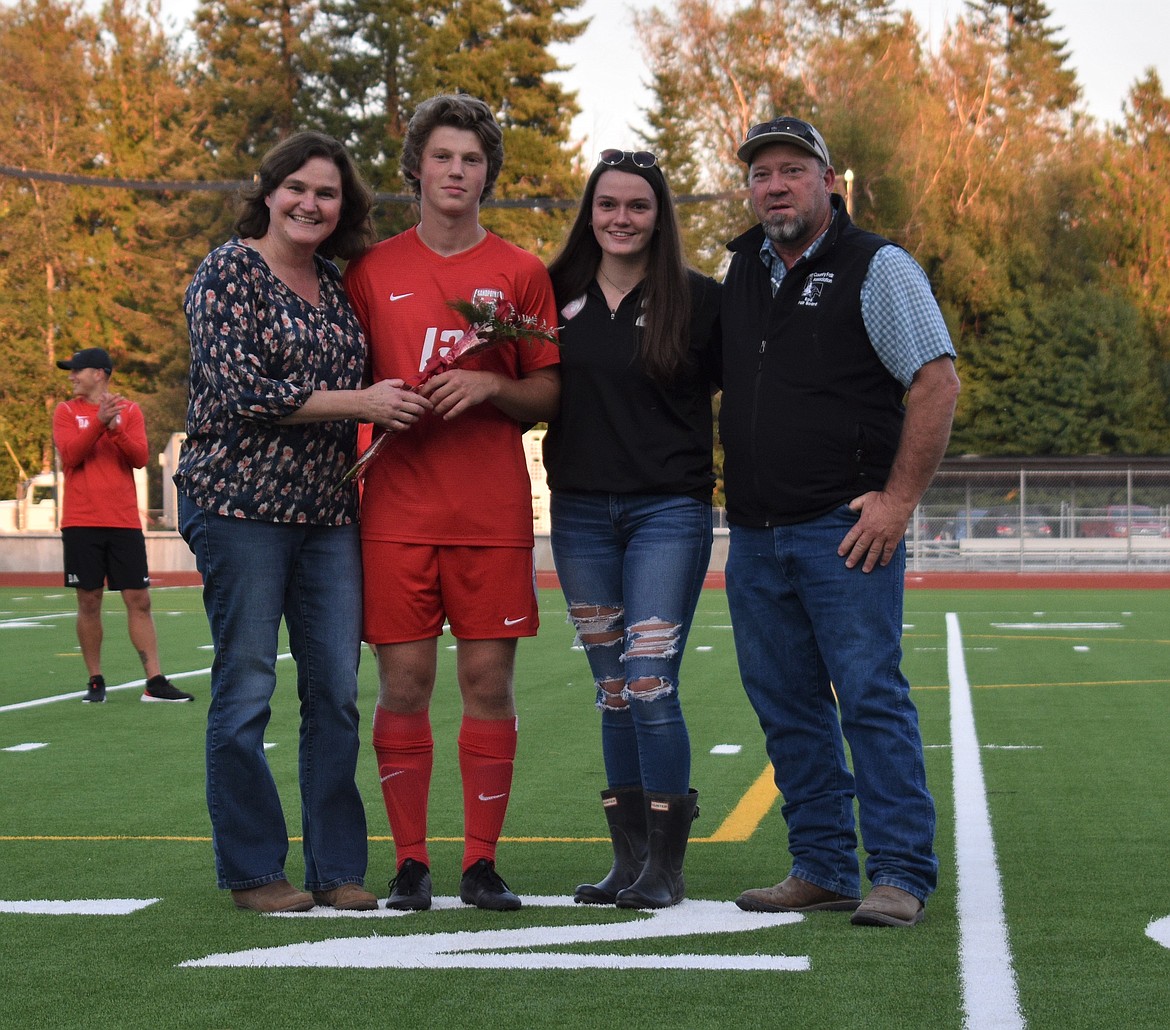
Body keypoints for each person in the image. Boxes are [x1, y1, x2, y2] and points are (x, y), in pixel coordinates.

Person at [718, 117, 960, 927]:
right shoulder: (741, 271)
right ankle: (822, 864)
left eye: (792, 170)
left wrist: (896, 501)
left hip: (842, 526)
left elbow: (934, 380)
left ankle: (898, 872)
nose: (775, 186)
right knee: (785, 704)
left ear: (829, 182)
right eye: (761, 175)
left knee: (868, 696)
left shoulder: (877, 265)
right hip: (754, 533)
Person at [176, 131, 416, 914]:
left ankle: (336, 868)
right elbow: (244, 389)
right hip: (239, 507)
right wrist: (364, 402)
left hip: (327, 515)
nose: (311, 203)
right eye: (298, 188)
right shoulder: (228, 271)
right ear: (269, 189)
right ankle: (254, 874)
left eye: (328, 193)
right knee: (246, 689)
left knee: (337, 693)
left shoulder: (339, 283)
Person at [343, 93, 560, 913]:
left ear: (488, 174)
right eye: (443, 157)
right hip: (395, 514)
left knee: (488, 686)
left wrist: (492, 384)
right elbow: (345, 376)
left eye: (471, 159)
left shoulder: (520, 271)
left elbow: (548, 390)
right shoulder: (372, 272)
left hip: (489, 515)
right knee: (402, 687)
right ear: (417, 168)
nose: (457, 171)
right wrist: (372, 403)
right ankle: (409, 863)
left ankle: (480, 864)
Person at [542, 149, 720, 909]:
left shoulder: (701, 301)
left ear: (659, 216)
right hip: (579, 512)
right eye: (606, 204)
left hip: (667, 512)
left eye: (637, 206)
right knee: (611, 688)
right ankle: (631, 861)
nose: (620, 218)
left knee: (650, 681)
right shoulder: (550, 295)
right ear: (590, 212)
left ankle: (667, 869)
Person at [53, 348, 194, 705]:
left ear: (99, 373)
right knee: (89, 599)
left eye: (76, 370)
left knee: (139, 600)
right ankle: (95, 680)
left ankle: (155, 681)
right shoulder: (66, 411)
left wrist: (114, 427)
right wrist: (100, 422)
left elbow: (139, 458)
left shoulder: (129, 410)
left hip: (123, 522)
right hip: (81, 522)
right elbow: (70, 456)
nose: (71, 376)